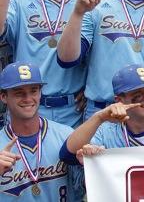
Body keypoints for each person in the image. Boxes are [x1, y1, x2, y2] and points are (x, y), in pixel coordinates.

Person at [0, 0, 86, 127]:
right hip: (28, 107)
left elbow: (95, 52)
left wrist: (91, 87)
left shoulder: (82, 0)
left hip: (73, 110)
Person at [61, 64, 144, 163]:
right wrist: (99, 117)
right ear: (119, 100)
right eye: (138, 93)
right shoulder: (106, 132)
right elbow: (67, 156)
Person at [0, 62, 83, 200]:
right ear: (3, 97)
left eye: (33, 90)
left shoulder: (66, 135)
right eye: (19, 93)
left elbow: (82, 188)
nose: (28, 99)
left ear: (40, 92)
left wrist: (88, 162)